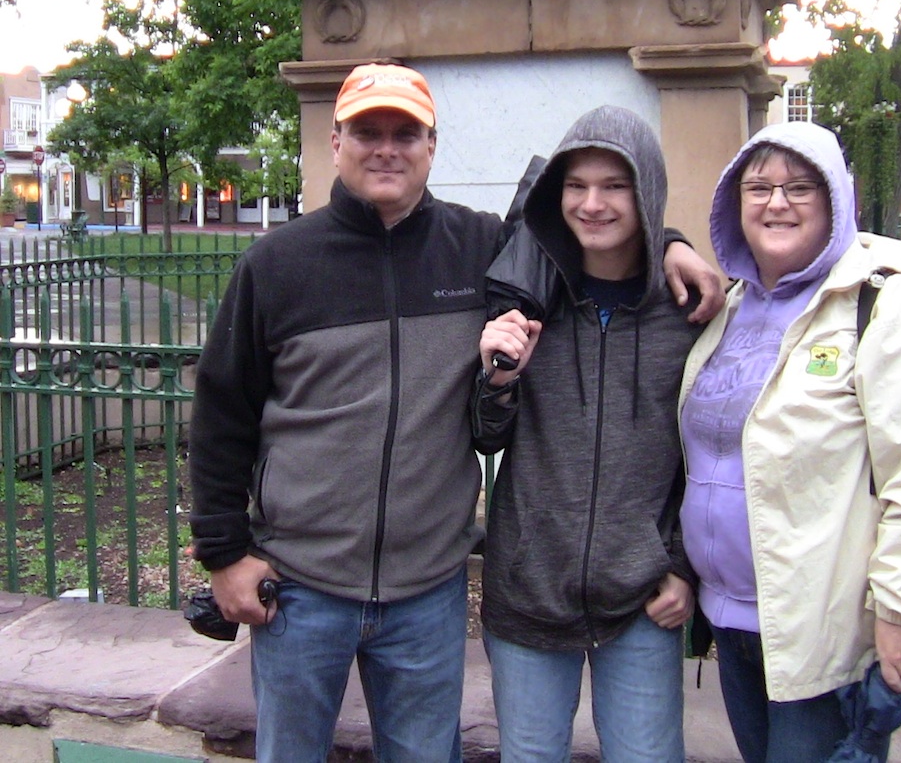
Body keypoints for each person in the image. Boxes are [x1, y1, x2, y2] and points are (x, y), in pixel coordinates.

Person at [187, 63, 723, 763]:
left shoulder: (478, 248)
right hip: (301, 585)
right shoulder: (276, 263)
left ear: (431, 147)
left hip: (427, 593)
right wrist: (225, 554)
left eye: (405, 134)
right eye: (368, 133)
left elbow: (586, 227)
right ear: (335, 142)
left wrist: (670, 240)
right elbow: (222, 414)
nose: (387, 149)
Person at [677, 120, 901, 763]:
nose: (776, 203)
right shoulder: (734, 309)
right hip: (734, 623)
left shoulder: (891, 309)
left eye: (800, 187)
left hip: (826, 636)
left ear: (836, 199)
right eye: (758, 187)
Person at [472, 105, 701, 762]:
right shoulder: (526, 299)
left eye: (614, 186)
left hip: (642, 597)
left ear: (646, 192)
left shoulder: (687, 314)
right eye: (576, 186)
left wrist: (683, 566)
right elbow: (485, 438)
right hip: (529, 592)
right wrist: (497, 380)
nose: (592, 204)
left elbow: (708, 458)